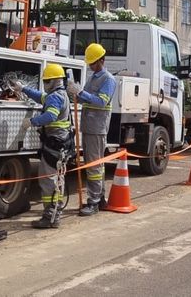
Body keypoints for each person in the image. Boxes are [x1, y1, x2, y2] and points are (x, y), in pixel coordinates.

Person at [10, 63, 72, 229]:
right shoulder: (60, 94)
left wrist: (31, 122)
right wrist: (23, 88)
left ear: (53, 81)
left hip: (54, 143)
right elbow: (40, 97)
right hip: (61, 144)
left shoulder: (55, 97)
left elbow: (50, 116)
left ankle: (50, 217)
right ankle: (54, 215)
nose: (44, 84)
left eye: (46, 81)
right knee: (56, 180)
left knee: (47, 180)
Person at [67, 43, 116, 216]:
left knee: (94, 166)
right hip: (89, 126)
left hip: (97, 128)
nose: (90, 66)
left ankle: (94, 202)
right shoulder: (93, 77)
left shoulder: (108, 79)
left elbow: (101, 101)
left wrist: (82, 93)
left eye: (93, 63)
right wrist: (74, 93)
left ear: (102, 60)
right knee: (94, 165)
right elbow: (84, 99)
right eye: (90, 63)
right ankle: (100, 199)